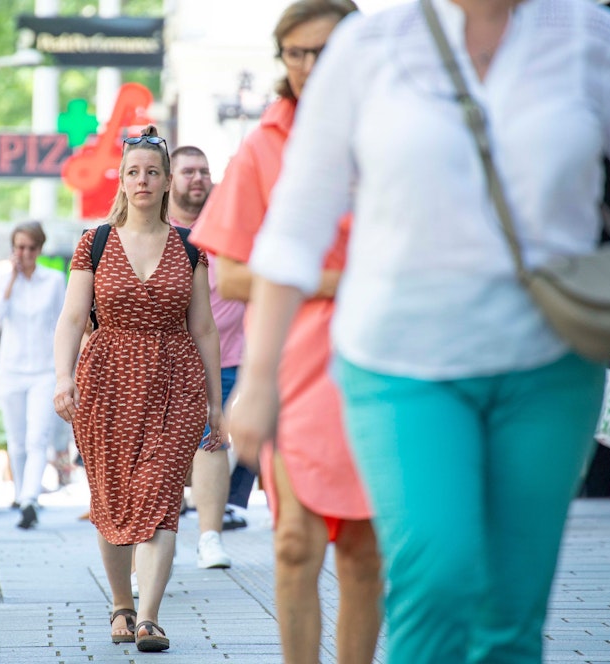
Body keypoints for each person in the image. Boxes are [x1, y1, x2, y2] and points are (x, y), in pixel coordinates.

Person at [229, 0, 610, 662]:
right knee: (437, 578)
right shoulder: (370, 47)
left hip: (549, 363)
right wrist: (256, 381)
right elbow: (295, 226)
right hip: (402, 365)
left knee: (511, 612)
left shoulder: (592, 37)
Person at [191, 3, 383, 662]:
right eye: (294, 54)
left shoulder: (398, 128)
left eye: (323, 52)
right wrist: (329, 282)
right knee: (294, 540)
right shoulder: (266, 143)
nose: (307, 68)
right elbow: (233, 275)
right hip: (294, 363)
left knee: (361, 547)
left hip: (381, 354)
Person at [53, 125, 222, 653]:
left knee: (160, 495)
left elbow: (205, 329)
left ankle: (148, 616)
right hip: (106, 381)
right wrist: (63, 378)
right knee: (111, 499)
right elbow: (72, 318)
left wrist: (217, 404)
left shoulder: (190, 248)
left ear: (168, 181)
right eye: (134, 172)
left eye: (153, 172)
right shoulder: (95, 243)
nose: (143, 180)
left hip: (176, 380)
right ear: (122, 182)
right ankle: (121, 603)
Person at [167, 145, 246, 569]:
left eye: (204, 172)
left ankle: (210, 537)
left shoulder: (228, 226)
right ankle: (157, 537)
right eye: (188, 172)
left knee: (213, 440)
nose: (198, 179)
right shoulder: (159, 230)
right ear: (170, 178)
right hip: (172, 358)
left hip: (229, 356)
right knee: (174, 454)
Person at [0, 221, 66, 529]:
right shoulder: (3, 279)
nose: (24, 253)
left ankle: (31, 499)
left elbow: (64, 322)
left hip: (44, 369)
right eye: (19, 247)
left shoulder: (54, 279)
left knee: (38, 438)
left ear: (39, 249)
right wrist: (10, 281)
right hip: (11, 369)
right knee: (17, 441)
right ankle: (22, 497)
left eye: (30, 248)